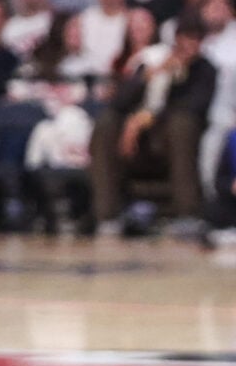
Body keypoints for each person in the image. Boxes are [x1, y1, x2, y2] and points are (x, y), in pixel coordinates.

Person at [90, 16, 215, 238]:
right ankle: (107, 216)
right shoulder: (152, 61)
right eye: (185, 38)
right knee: (106, 123)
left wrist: (144, 120)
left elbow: (195, 107)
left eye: (196, 40)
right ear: (176, 39)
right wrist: (149, 76)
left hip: (170, 138)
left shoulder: (204, 71)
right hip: (136, 141)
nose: (189, 45)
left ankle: (188, 214)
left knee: (181, 125)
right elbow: (119, 102)